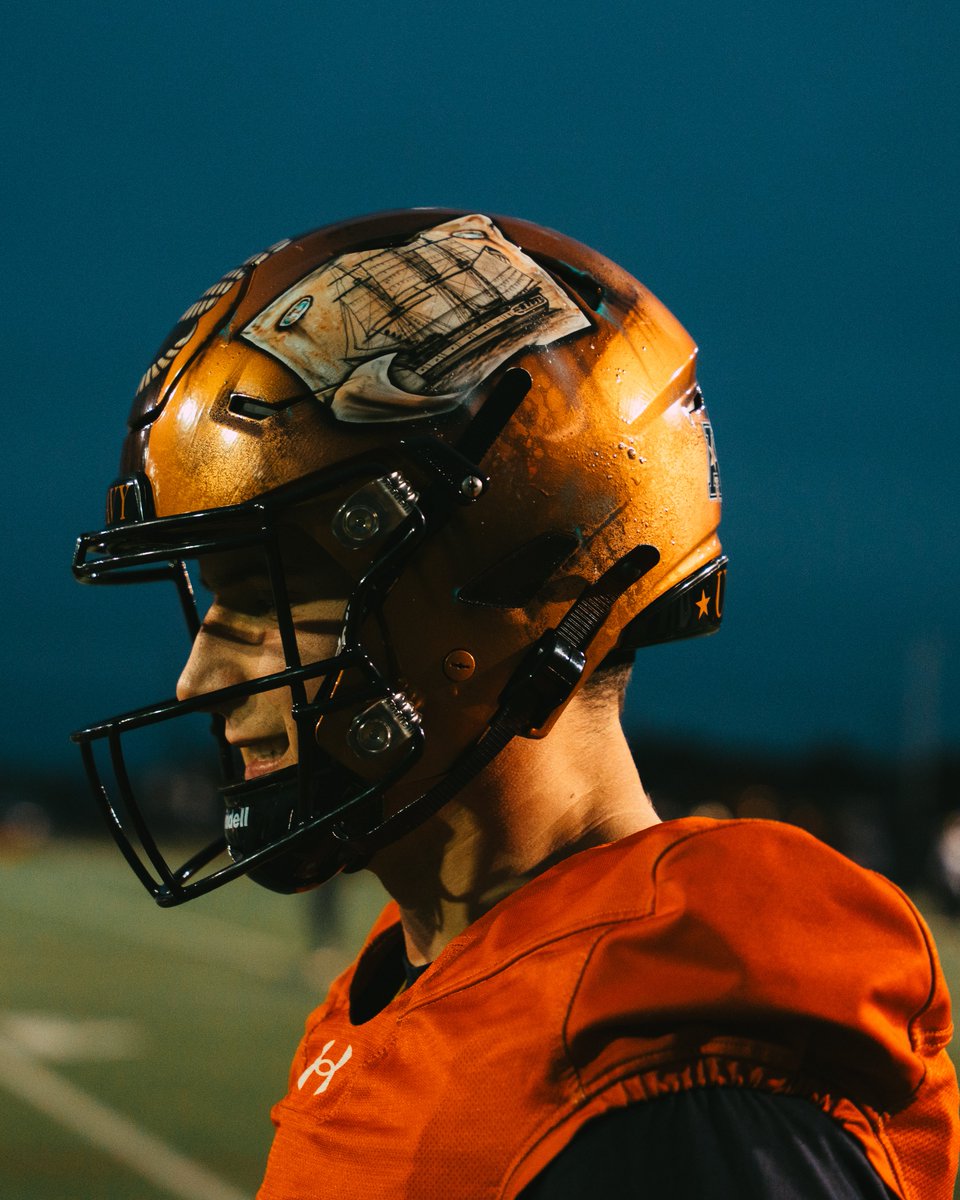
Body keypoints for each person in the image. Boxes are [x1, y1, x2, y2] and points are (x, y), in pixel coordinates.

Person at [72, 210, 958, 1198]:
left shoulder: (665, 1092)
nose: (201, 677)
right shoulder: (441, 980)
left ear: (499, 584)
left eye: (265, 591)